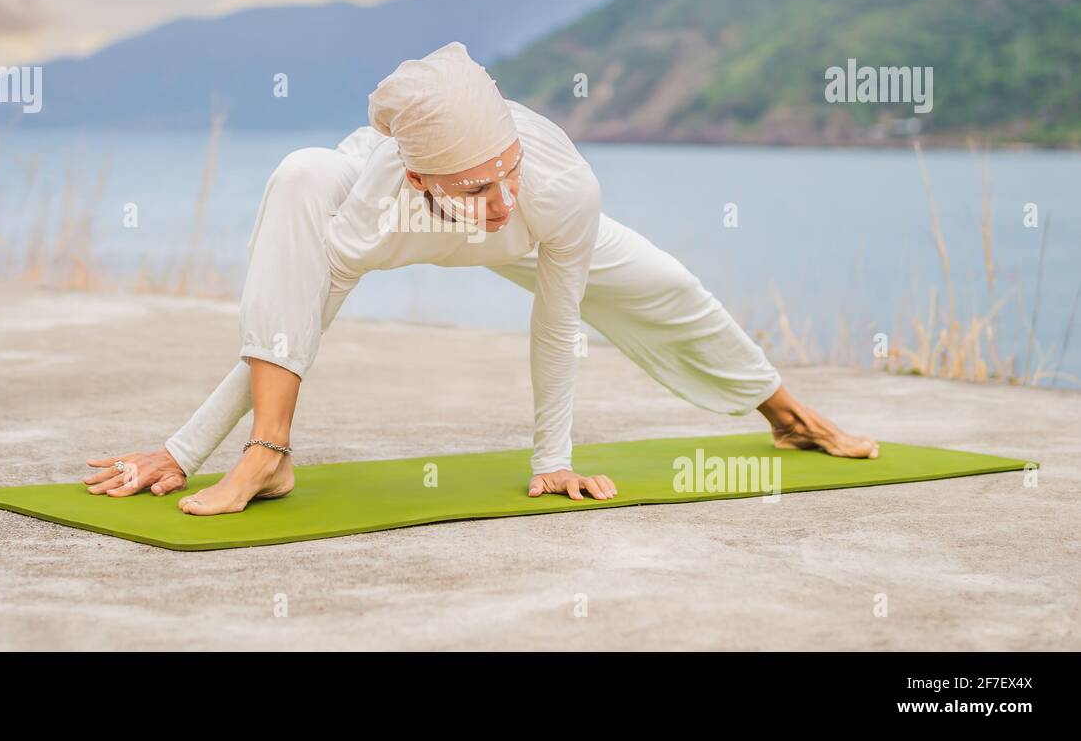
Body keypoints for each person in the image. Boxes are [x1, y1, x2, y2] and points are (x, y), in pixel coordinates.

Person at [84, 41, 878, 514]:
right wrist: (187, 451)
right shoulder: (375, 206)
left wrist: (551, 462)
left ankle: (790, 413)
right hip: (386, 212)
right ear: (422, 180)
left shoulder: (553, 185)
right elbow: (291, 328)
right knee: (301, 174)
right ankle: (272, 460)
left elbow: (560, 322)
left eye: (506, 173)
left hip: (554, 229)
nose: (499, 203)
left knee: (668, 285)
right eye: (475, 188)